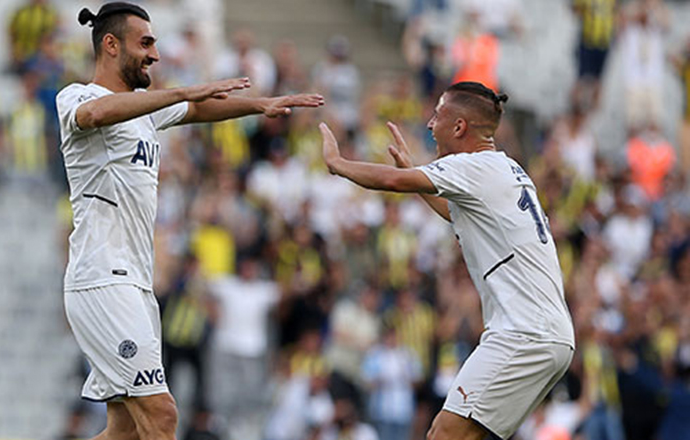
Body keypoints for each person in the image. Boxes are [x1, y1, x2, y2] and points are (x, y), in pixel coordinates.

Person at [55, 4, 324, 440]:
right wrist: (184, 92)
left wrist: (262, 105)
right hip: (103, 278)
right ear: (110, 44)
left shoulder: (144, 108)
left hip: (137, 283)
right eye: (145, 43)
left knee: (124, 429)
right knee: (162, 415)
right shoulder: (76, 97)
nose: (155, 55)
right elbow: (99, 116)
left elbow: (199, 112)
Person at [319, 81, 574, 440]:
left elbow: (392, 181)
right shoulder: (505, 169)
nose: (428, 124)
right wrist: (417, 177)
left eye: (437, 115)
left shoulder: (474, 167)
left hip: (523, 331)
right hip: (550, 334)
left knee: (444, 433)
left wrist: (338, 163)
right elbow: (457, 215)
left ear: (459, 127)